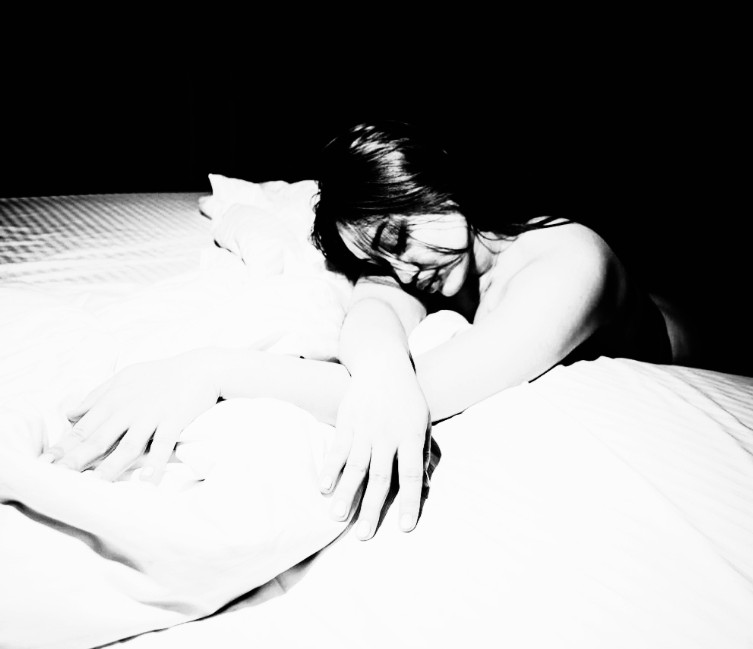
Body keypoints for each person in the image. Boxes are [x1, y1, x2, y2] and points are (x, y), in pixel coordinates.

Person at [40, 120, 680, 542]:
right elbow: (375, 310)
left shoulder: (567, 264)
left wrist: (210, 368)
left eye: (399, 237)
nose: (404, 268)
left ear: (438, 189)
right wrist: (383, 368)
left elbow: (432, 391)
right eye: (382, 256)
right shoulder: (428, 262)